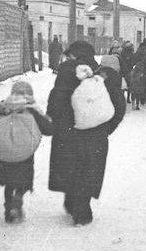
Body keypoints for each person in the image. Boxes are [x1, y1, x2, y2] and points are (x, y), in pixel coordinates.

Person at [47, 40, 126, 226]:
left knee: (69, 165)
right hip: (96, 133)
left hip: (68, 131)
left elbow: (56, 101)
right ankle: (82, 207)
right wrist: (107, 128)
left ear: (74, 55)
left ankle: (71, 199)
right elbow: (119, 106)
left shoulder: (66, 71)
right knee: (90, 168)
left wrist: (56, 122)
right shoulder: (107, 74)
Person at [0, 81, 53, 223]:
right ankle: (18, 198)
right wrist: (45, 117)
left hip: (4, 154)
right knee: (22, 181)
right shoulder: (31, 109)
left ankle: (8, 210)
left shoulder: (3, 106)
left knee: (8, 183)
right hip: (24, 155)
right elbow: (48, 129)